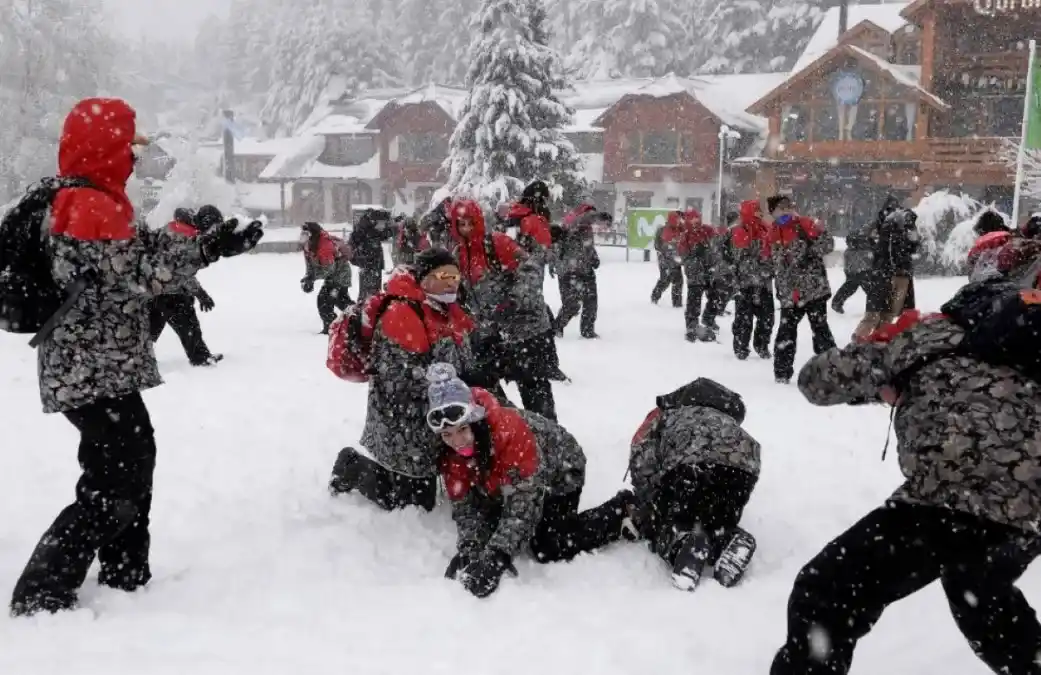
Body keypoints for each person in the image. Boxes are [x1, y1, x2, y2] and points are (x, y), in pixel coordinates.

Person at [11, 97, 263, 617]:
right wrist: (207, 251)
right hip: (92, 367)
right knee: (119, 475)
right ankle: (42, 590)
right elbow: (136, 274)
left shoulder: (86, 199)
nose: (132, 159)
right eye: (128, 147)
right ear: (106, 148)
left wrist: (207, 245)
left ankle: (127, 571)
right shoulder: (87, 207)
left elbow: (144, 254)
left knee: (127, 461)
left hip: (94, 366)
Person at [771, 307, 1041, 675]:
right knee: (982, 595)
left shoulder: (925, 334)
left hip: (946, 496)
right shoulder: (1023, 339)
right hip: (1029, 501)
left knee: (826, 592)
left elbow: (815, 382)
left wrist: (881, 345)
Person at [426, 362, 635, 598]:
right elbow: (464, 504)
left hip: (560, 471)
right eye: (447, 434)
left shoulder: (509, 435)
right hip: (502, 476)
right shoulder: (451, 452)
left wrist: (497, 557)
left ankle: (621, 512)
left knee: (546, 544)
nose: (457, 441)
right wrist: (470, 549)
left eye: (462, 429)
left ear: (475, 421)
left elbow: (523, 509)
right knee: (489, 524)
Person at [329, 249, 477, 511]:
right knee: (409, 502)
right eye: (443, 274)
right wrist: (452, 386)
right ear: (423, 278)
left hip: (437, 416)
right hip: (403, 422)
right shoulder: (401, 312)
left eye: (455, 275)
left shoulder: (448, 308)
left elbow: (460, 356)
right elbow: (397, 377)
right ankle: (351, 466)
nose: (452, 281)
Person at [628, 378, 759, 590]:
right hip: (743, 467)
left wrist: (648, 499)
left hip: (690, 463)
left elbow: (642, 459)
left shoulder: (665, 413)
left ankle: (680, 543)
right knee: (715, 517)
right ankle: (729, 537)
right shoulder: (724, 417)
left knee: (661, 520)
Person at [448, 199, 558, 420]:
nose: (466, 229)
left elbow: (531, 269)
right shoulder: (458, 254)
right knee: (482, 386)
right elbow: (459, 293)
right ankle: (512, 430)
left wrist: (514, 301)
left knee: (534, 389)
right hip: (492, 334)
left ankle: (548, 436)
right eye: (461, 224)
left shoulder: (497, 243)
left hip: (525, 332)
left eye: (470, 223)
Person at [768, 196, 836, 383]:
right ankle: (782, 373)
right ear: (772, 212)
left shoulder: (806, 224)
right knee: (785, 333)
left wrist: (810, 252)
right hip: (789, 293)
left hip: (813, 290)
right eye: (780, 210)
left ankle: (831, 372)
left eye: (787, 208)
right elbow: (770, 260)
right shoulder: (772, 232)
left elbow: (828, 243)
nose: (785, 212)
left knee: (820, 331)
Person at [148, 207, 222, 366]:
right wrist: (200, 293)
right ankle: (200, 358)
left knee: (149, 328)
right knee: (188, 325)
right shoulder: (187, 237)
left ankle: (133, 359)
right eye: (213, 228)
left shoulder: (172, 227)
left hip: (152, 287)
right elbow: (182, 273)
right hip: (172, 291)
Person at [730, 200, 775, 360]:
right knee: (744, 318)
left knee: (767, 318)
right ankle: (741, 346)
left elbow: (773, 251)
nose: (760, 213)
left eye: (760, 211)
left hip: (764, 282)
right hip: (745, 283)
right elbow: (739, 257)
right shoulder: (738, 231)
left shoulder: (766, 229)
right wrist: (761, 263)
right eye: (756, 210)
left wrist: (770, 265)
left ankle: (761, 344)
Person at [553, 204, 605, 339]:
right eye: (590, 214)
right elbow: (560, 248)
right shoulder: (572, 224)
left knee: (591, 301)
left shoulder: (586, 228)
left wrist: (594, 257)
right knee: (572, 304)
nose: (593, 219)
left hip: (585, 269)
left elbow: (588, 246)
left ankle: (587, 330)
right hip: (569, 270)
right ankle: (556, 327)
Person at [300, 221, 353, 334]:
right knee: (339, 300)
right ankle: (353, 319)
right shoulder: (308, 246)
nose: (302, 237)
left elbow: (329, 269)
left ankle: (333, 328)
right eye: (302, 234)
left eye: (306, 234)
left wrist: (313, 277)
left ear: (312, 235)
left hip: (341, 275)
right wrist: (308, 278)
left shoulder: (325, 245)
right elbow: (310, 265)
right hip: (331, 277)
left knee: (325, 300)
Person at [677, 209, 717, 342]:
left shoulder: (707, 230)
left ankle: (708, 319)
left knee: (715, 295)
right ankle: (691, 325)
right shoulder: (686, 235)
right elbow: (683, 255)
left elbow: (717, 244)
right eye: (692, 218)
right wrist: (694, 255)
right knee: (694, 298)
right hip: (695, 272)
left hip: (709, 269)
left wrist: (709, 254)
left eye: (697, 218)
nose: (695, 221)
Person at [831, 216, 876, 314]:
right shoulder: (865, 237)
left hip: (853, 265)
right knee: (871, 289)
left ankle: (837, 302)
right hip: (862, 265)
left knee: (851, 286)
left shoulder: (860, 236)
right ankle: (874, 308)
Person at [350, 207, 394, 302]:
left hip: (366, 264)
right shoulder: (368, 230)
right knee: (372, 292)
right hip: (371, 264)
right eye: (374, 220)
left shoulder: (361, 228)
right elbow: (384, 234)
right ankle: (369, 307)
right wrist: (391, 226)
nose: (376, 222)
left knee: (366, 291)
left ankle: (365, 305)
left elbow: (383, 235)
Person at [651, 212, 686, 307]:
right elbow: (659, 245)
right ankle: (655, 297)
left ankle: (676, 303)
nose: (679, 221)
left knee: (677, 281)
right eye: (677, 219)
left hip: (675, 260)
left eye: (679, 220)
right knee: (665, 280)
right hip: (665, 260)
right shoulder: (664, 230)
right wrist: (665, 254)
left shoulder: (680, 229)